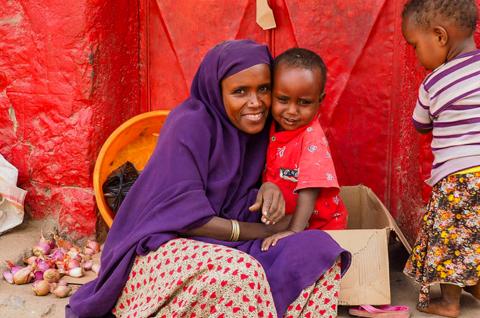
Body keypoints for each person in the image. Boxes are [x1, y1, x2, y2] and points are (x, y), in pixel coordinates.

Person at [67, 40, 351, 318]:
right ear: (217, 92)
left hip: (231, 244)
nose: (255, 103)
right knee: (242, 274)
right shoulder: (189, 126)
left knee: (320, 250)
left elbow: (255, 184)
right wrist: (264, 232)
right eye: (240, 91)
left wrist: (269, 187)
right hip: (164, 246)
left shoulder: (265, 127)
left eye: (263, 89)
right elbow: (189, 219)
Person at [401, 1, 480, 317]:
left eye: (415, 45)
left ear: (439, 37)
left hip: (458, 175)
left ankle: (449, 302)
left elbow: (420, 124)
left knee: (453, 238)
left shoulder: (432, 82)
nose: (417, 55)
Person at [261, 48, 348, 251]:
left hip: (320, 227)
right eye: (283, 99)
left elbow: (309, 190)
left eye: (304, 102)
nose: (292, 111)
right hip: (290, 222)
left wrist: (293, 232)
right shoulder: (271, 126)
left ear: (320, 100)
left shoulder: (311, 137)